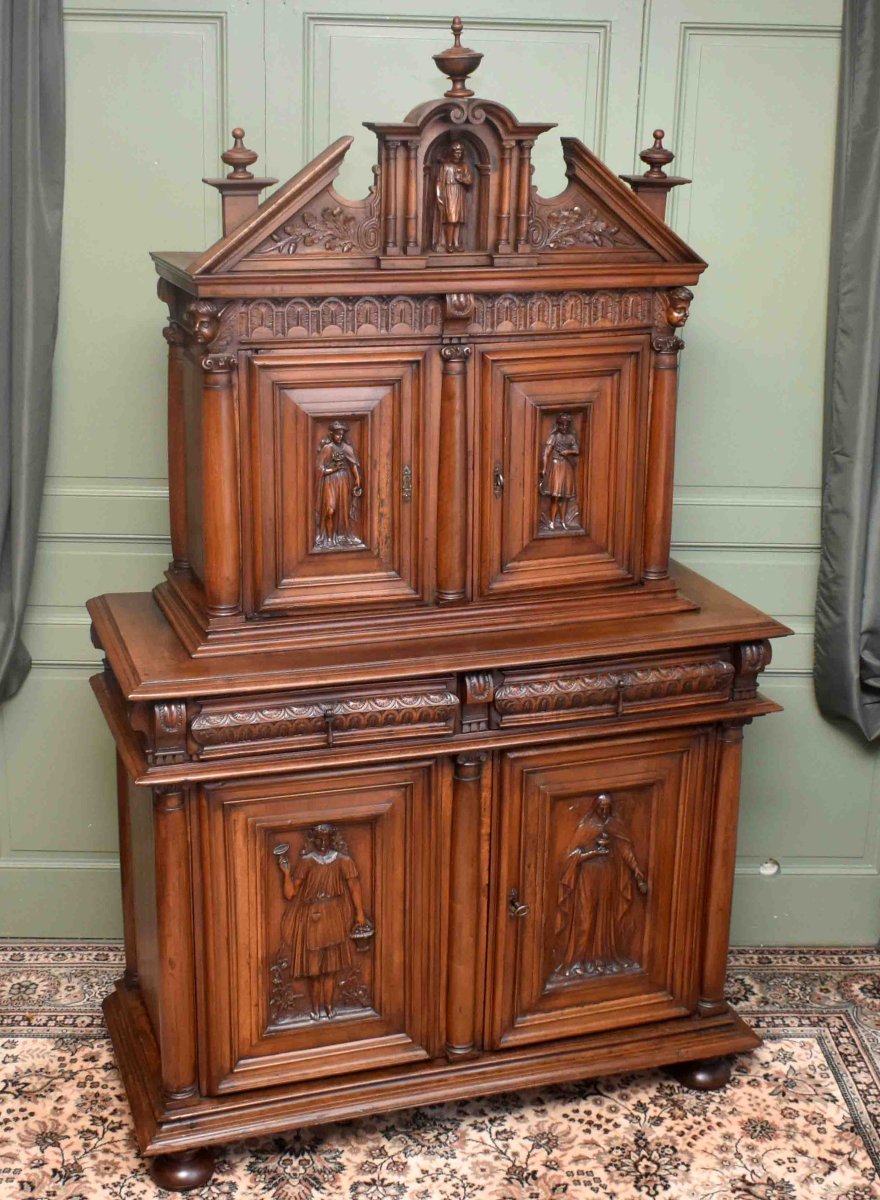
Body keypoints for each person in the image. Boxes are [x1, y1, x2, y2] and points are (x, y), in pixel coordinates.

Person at [274, 825, 374, 1020]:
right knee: (314, 970)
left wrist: (360, 914)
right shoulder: (306, 861)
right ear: (313, 839)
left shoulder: (343, 860)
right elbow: (290, 894)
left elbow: (354, 887)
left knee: (331, 968)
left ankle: (328, 1006)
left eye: (326, 839)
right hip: (313, 918)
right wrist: (286, 873)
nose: (322, 844)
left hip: (334, 916)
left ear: (332, 839)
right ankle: (315, 1007)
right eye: (318, 839)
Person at [554, 794, 648, 978]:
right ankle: (579, 960)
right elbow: (571, 858)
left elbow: (626, 850)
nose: (604, 812)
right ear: (595, 807)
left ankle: (601, 959)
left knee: (605, 918)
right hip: (588, 878)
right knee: (586, 918)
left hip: (607, 876)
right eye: (601, 808)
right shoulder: (585, 827)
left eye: (607, 808)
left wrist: (637, 871)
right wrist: (593, 853)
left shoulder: (614, 825)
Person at [314, 421, 363, 549]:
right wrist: (332, 470)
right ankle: (329, 538)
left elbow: (353, 464)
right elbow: (319, 468)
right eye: (337, 434)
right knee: (330, 510)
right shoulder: (327, 448)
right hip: (329, 482)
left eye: (341, 434)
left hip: (343, 481)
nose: (340, 437)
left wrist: (357, 478)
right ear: (331, 434)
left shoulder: (347, 448)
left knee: (343, 510)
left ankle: (342, 535)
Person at [539, 413, 579, 531]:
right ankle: (552, 521)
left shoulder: (571, 437)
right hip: (557, 466)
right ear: (558, 425)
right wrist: (544, 468)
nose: (564, 427)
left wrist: (567, 452)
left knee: (565, 496)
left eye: (566, 425)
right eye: (562, 425)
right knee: (555, 496)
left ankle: (562, 521)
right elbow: (546, 453)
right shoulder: (554, 436)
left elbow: (576, 450)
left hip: (567, 466)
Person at [435, 140, 472, 251]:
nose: (458, 155)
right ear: (451, 153)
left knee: (458, 220)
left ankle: (456, 243)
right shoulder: (445, 166)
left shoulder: (464, 166)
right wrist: (439, 196)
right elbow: (439, 182)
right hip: (449, 193)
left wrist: (462, 179)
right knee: (451, 219)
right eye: (456, 152)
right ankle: (449, 243)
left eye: (460, 152)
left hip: (460, 192)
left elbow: (469, 181)